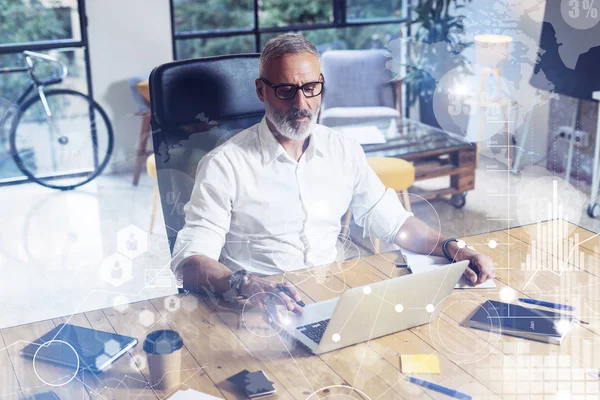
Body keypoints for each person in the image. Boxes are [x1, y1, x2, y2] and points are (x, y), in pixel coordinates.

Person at [171, 33, 495, 317]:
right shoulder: (224, 165)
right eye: (286, 90)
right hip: (253, 307)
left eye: (311, 87)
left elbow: (396, 223)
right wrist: (244, 283)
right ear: (261, 90)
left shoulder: (343, 149)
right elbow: (189, 263)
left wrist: (454, 247)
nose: (302, 103)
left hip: (329, 301)